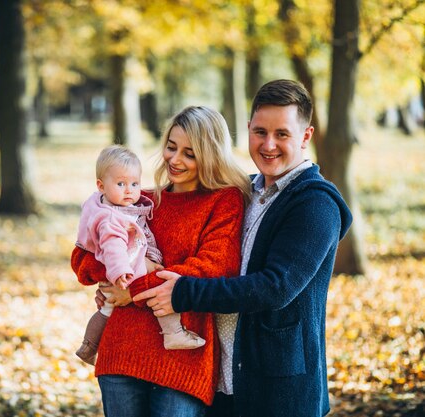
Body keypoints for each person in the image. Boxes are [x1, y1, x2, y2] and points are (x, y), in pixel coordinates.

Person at [134, 79, 353, 417]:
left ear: (306, 137)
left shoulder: (314, 204)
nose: (268, 145)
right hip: (222, 380)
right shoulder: (242, 192)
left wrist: (183, 292)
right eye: (260, 131)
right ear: (248, 128)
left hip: (278, 391)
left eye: (282, 134)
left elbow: (275, 288)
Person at [71, 106, 250, 416]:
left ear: (210, 156)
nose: (175, 160)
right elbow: (82, 257)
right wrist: (118, 273)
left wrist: (132, 288)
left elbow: (213, 267)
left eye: (190, 154)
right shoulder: (139, 200)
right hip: (122, 348)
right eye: (171, 147)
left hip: (182, 356)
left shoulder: (224, 200)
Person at [75, 145, 206, 366]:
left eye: (135, 184)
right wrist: (122, 272)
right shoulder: (111, 217)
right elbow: (113, 246)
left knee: (106, 308)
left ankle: (88, 346)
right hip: (127, 266)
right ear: (101, 186)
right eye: (121, 184)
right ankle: (174, 333)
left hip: (124, 268)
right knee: (161, 289)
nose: (129, 190)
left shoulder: (114, 205)